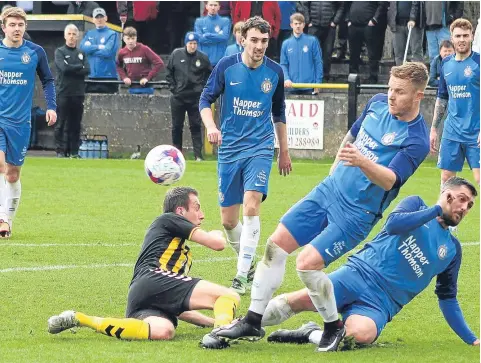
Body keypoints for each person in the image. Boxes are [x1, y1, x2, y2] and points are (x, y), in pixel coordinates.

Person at [213, 62, 431, 351]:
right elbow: (352, 135)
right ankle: (252, 320)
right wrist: (333, 170)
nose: (391, 95)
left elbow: (391, 180)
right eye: (390, 88)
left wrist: (361, 161)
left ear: (418, 96)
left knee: (307, 264)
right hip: (329, 192)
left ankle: (332, 326)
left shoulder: (416, 139)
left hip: (356, 213)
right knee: (275, 246)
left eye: (400, 92)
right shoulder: (377, 103)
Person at [262, 177, 479, 350]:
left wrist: (471, 338)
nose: (464, 207)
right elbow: (394, 224)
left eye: (469, 205)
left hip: (381, 303)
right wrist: (437, 210)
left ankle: (309, 332)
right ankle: (246, 324)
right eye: (462, 199)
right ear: (446, 195)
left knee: (358, 336)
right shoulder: (416, 204)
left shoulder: (452, 249)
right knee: (299, 300)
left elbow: (447, 296)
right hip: (356, 275)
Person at [48, 186, 240, 348]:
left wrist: (211, 321)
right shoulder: (167, 219)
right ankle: (221, 334)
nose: (202, 215)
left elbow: (177, 304)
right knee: (229, 296)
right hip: (154, 277)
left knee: (164, 331)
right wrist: (217, 234)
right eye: (197, 208)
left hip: (142, 293)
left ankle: (80, 318)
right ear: (180, 211)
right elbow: (218, 245)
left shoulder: (179, 253)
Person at [199, 16, 292, 295]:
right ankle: (249, 263)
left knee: (251, 206)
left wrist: (283, 151)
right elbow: (205, 100)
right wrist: (211, 127)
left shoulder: (275, 72)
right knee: (228, 220)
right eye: (254, 40)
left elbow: (279, 112)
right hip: (229, 148)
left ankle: (241, 275)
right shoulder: (227, 66)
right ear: (242, 40)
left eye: (264, 41)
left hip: (260, 147)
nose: (259, 46)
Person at [0, 7, 56, 238]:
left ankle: (7, 221)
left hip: (20, 123)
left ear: (25, 27)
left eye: (20, 25)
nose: (16, 29)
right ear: (3, 27)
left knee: (12, 174)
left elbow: (48, 80)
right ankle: (1, 217)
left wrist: (52, 107)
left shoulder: (35, 52)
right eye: (12, 25)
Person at [429, 18, 480, 186]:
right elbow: (442, 97)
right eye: (458, 36)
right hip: (452, 131)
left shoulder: (478, 62)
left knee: (480, 179)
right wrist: (434, 128)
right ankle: (443, 213)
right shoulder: (445, 63)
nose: (462, 39)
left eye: (465, 35)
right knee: (446, 179)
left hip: (476, 131)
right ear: (452, 38)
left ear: (472, 36)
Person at [166, 31, 211, 161]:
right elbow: (169, 72)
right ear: (186, 43)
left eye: (195, 43)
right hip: (178, 97)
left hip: (195, 98)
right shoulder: (176, 54)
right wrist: (174, 89)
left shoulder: (202, 57)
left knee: (196, 125)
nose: (193, 46)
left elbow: (209, 74)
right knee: (177, 126)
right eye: (190, 43)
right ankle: (177, 154)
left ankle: (198, 155)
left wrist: (203, 89)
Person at [54, 24, 90, 158]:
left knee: (75, 124)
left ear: (77, 36)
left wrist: (73, 67)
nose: (71, 36)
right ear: (65, 36)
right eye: (69, 34)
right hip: (64, 92)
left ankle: (74, 151)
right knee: (61, 123)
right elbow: (64, 68)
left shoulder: (81, 53)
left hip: (78, 93)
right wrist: (78, 67)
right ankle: (60, 151)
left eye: (74, 34)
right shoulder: (60, 52)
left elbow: (87, 69)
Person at [346, 1, 388, 84]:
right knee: (353, 52)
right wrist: (348, 20)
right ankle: (352, 78)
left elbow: (382, 4)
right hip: (354, 24)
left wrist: (374, 19)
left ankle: (373, 77)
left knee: (372, 52)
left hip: (369, 25)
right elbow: (346, 4)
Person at [280, 12, 323, 95]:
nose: (298, 26)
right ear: (291, 25)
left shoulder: (312, 41)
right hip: (291, 86)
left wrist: (318, 82)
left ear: (304, 25)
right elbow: (283, 64)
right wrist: (286, 79)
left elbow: (318, 62)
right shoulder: (286, 44)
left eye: (300, 23)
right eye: (296, 23)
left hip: (309, 86)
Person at [80, 7, 120, 94]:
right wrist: (99, 46)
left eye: (101, 17)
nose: (99, 19)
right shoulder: (89, 33)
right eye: (97, 17)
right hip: (91, 77)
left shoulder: (112, 34)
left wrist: (91, 50)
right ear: (93, 19)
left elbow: (108, 52)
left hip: (108, 77)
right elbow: (83, 48)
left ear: (106, 18)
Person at [116, 26, 163, 95]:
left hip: (146, 87)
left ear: (136, 38)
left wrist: (148, 78)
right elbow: (118, 66)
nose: (130, 41)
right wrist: (124, 77)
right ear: (124, 39)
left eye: (133, 38)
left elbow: (159, 63)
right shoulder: (122, 52)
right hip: (132, 87)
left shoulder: (144, 49)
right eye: (128, 38)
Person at [305, 1, 345, 82]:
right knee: (312, 52)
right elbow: (305, 5)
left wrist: (335, 21)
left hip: (329, 27)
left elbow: (341, 6)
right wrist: (308, 21)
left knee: (327, 52)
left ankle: (325, 76)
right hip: (314, 27)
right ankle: (311, 76)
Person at [194, 1, 231, 67]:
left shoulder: (225, 21)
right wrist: (218, 37)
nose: (213, 7)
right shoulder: (199, 22)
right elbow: (200, 39)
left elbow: (225, 37)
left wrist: (207, 35)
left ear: (219, 7)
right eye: (211, 5)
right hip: (204, 61)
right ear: (206, 6)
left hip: (219, 61)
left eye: (215, 5)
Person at [388, 1, 424, 66]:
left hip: (413, 25)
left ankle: (417, 74)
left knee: (416, 51)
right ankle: (400, 74)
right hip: (397, 24)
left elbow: (416, 4)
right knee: (398, 53)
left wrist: (413, 18)